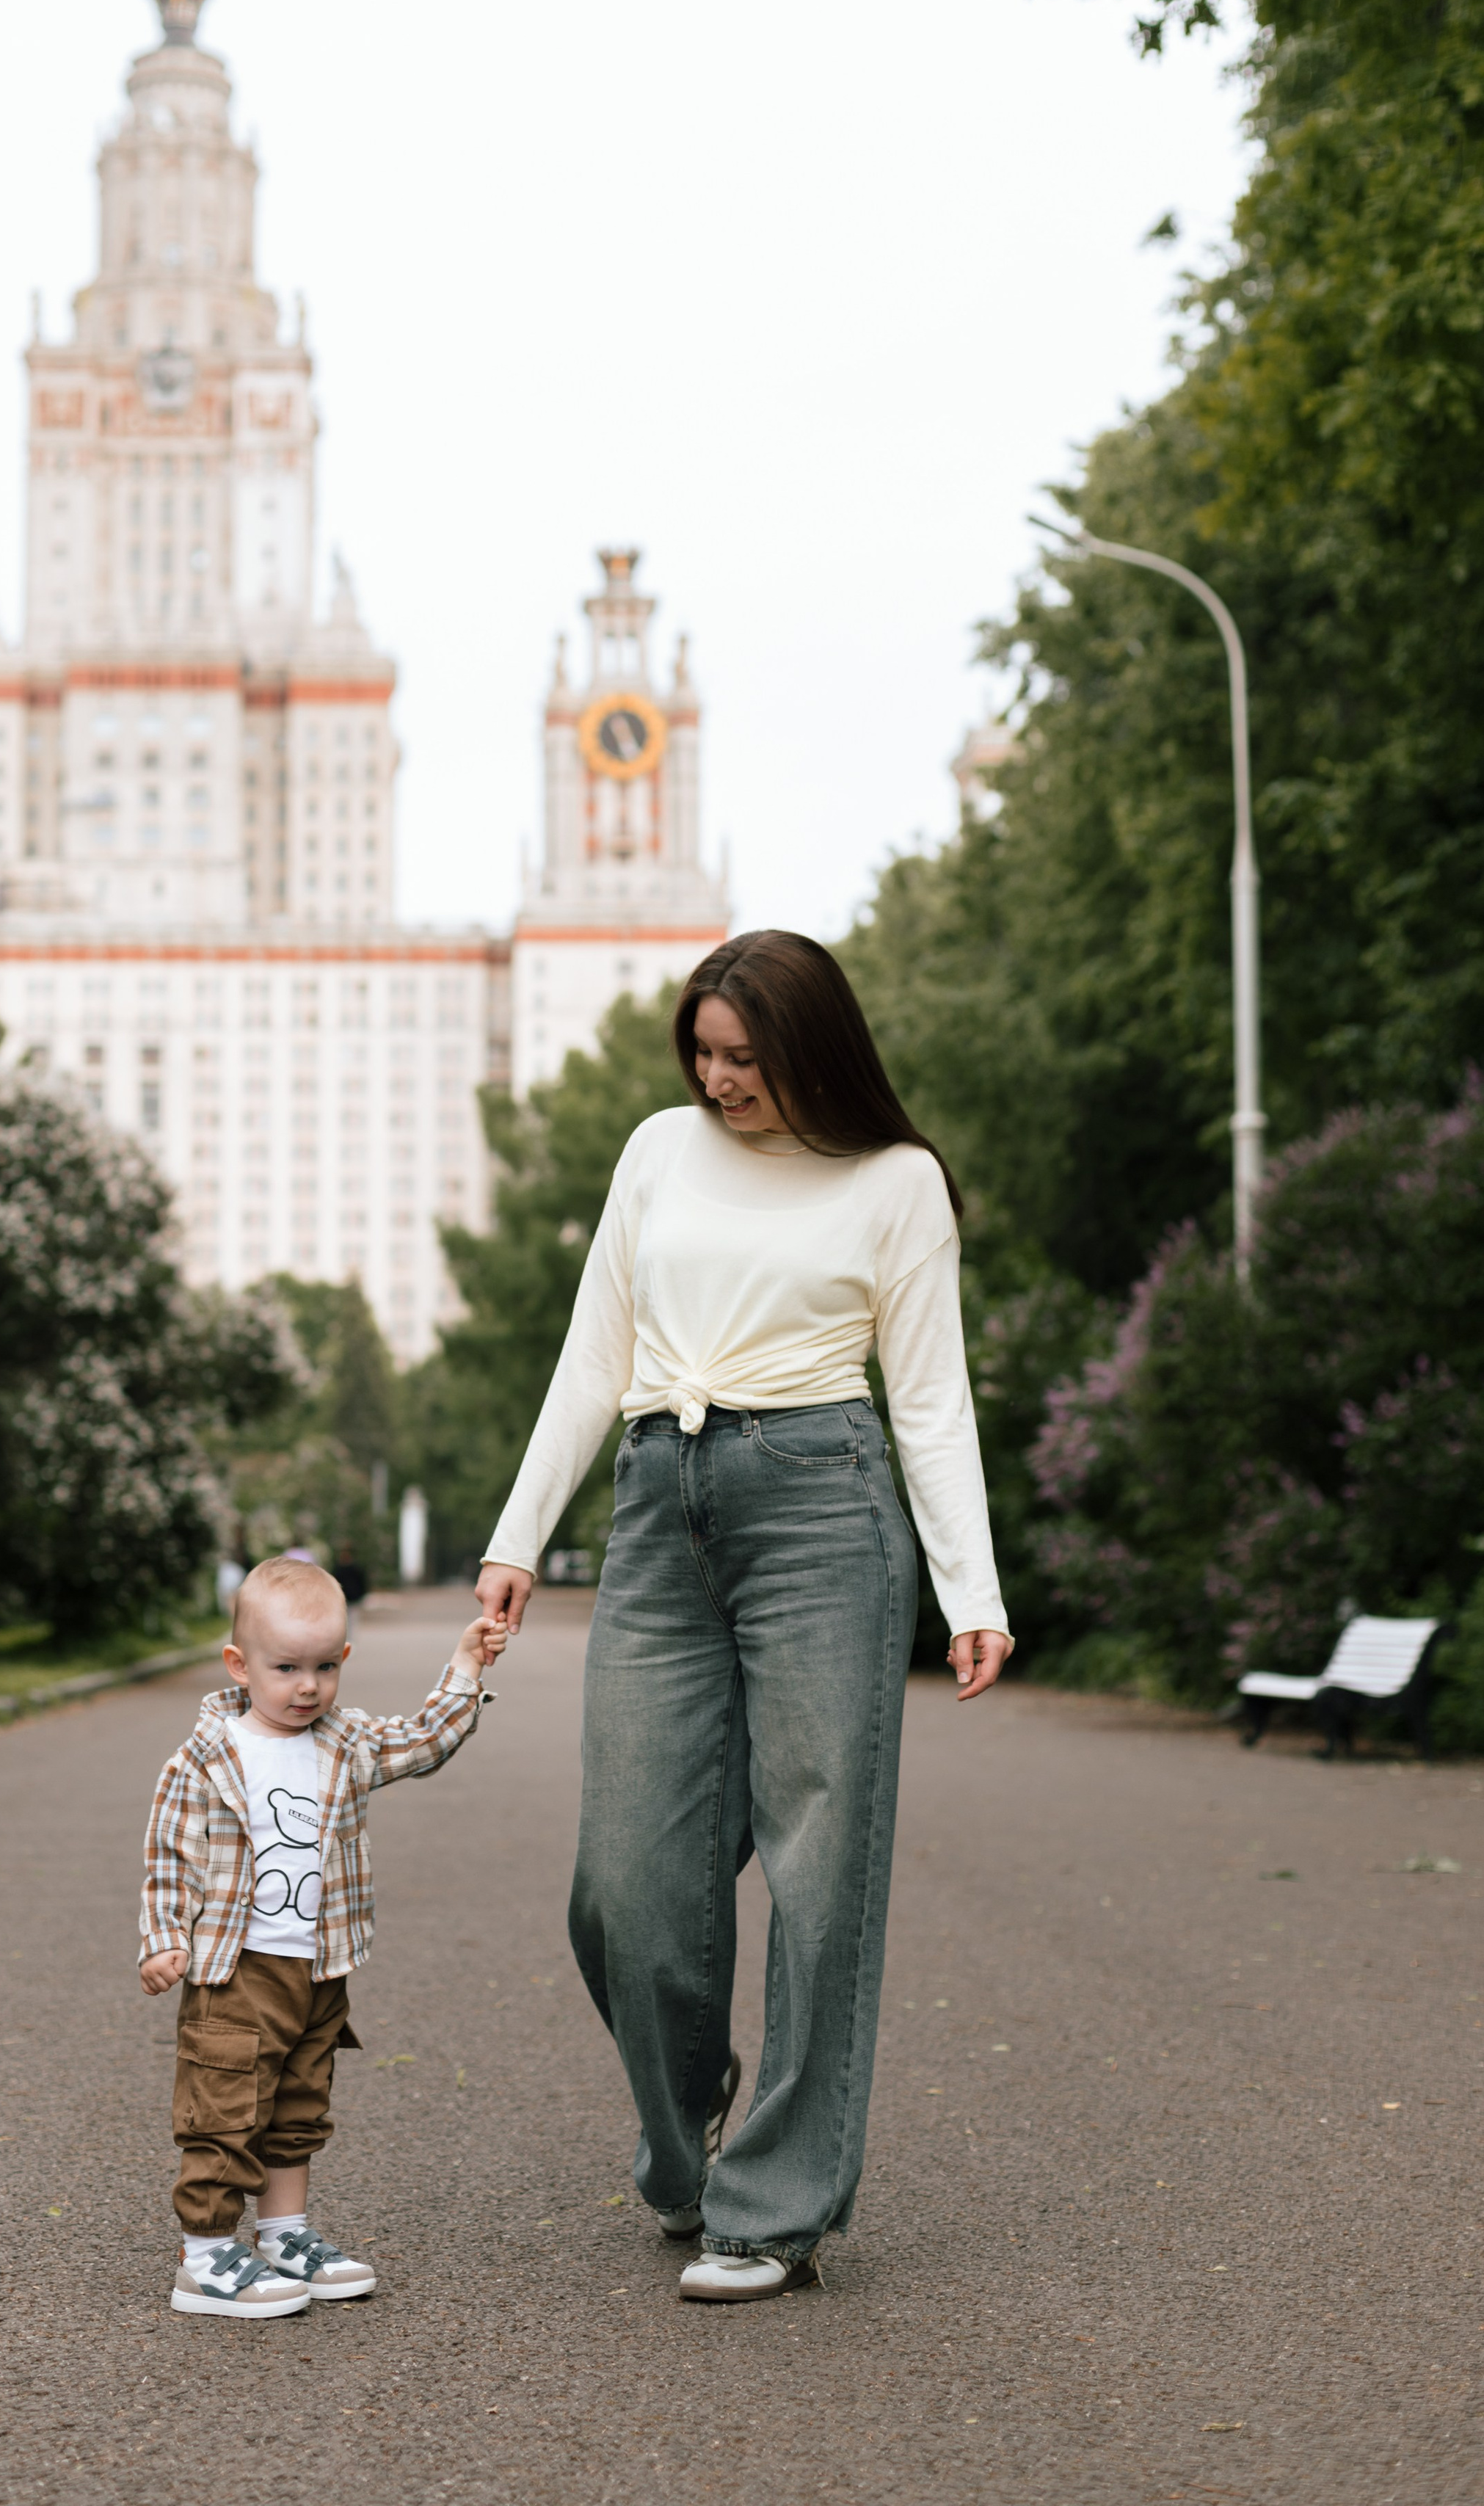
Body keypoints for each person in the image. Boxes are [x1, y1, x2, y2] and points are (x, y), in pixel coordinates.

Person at [476, 931, 1013, 2303]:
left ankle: (771, 2210)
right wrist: (518, 1536)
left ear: (811, 1051)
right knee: (625, 1888)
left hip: (823, 1507)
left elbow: (933, 1397)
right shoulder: (658, 1149)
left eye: (746, 1059)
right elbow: (596, 1351)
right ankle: (687, 2123)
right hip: (660, 1509)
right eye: (704, 1055)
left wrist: (972, 1590)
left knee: (823, 1877)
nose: (720, 1082)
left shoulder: (895, 1183)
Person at [139, 1552, 508, 2319]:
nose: (306, 1687)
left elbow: (425, 1741)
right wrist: (163, 1937)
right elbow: (171, 1857)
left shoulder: (344, 1742)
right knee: (225, 2107)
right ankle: (205, 2256)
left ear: (343, 1660)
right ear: (239, 1665)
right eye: (285, 1669)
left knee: (298, 2106)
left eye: (322, 1668)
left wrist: (465, 1666)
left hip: (317, 1969)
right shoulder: (206, 1760)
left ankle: (284, 2233)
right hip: (235, 1970)